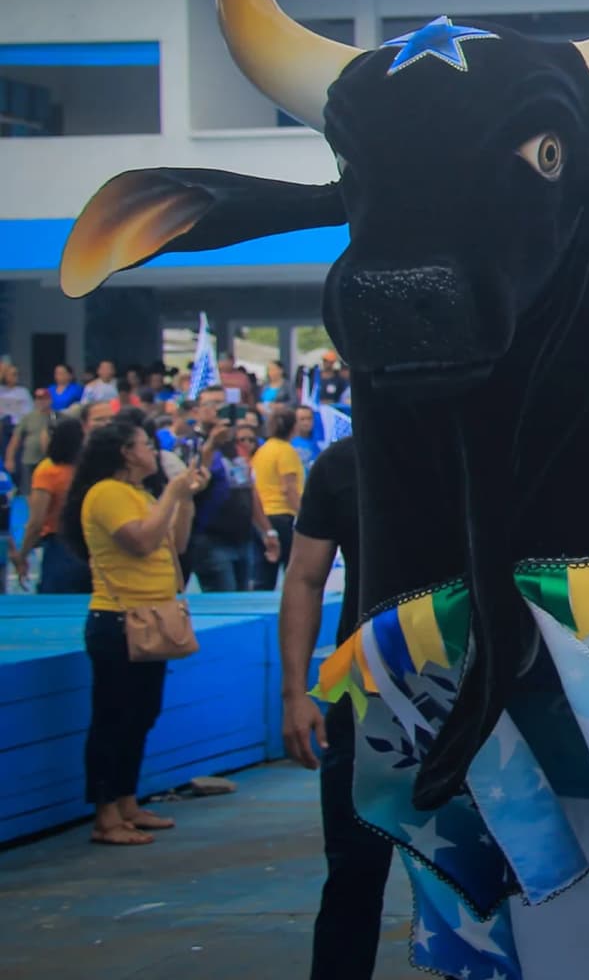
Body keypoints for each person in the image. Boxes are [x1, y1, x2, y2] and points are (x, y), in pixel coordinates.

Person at [278, 436, 391, 979]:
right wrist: (295, 693)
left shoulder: (482, 445)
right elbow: (304, 576)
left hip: (472, 699)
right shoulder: (343, 463)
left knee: (486, 882)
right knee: (352, 875)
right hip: (363, 698)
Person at [65, 419, 207, 845]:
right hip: (119, 621)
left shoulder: (140, 494)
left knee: (141, 715)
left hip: (150, 618)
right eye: (147, 444)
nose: (153, 451)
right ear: (126, 452)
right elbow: (142, 542)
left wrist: (184, 500)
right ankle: (105, 815)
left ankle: (126, 799)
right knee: (113, 717)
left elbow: (175, 544)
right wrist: (172, 493)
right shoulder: (106, 494)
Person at [189, 424, 276, 592]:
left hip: (243, 540)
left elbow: (250, 493)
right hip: (213, 542)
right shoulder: (204, 452)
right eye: (241, 439)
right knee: (223, 600)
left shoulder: (240, 456)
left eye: (249, 439)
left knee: (243, 600)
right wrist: (212, 443)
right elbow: (198, 478)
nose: (246, 443)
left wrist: (268, 531)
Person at [21, 418, 88, 593]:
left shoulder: (47, 471)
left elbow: (36, 522)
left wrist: (22, 555)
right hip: (90, 544)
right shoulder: (87, 467)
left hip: (60, 547)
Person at [251, 406, 304, 591]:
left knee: (264, 576)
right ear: (294, 426)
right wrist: (304, 516)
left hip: (263, 518)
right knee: (293, 574)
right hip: (282, 516)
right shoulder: (286, 451)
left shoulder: (262, 450)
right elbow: (288, 488)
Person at [5, 384, 54, 486]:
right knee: (29, 489)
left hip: (49, 460)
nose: (41, 402)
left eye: (44, 399)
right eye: (38, 399)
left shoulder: (55, 417)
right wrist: (10, 459)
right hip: (30, 460)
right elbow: (16, 439)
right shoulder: (28, 417)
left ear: (50, 400)